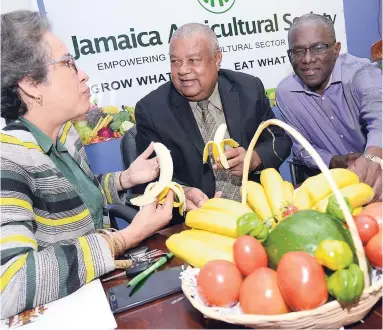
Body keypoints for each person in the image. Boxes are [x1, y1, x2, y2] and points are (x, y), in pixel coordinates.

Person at [0, 10, 174, 319]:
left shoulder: (65, 136)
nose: (83, 74)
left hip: (102, 294)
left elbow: (78, 201)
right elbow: (11, 284)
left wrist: (124, 179)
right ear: (30, 84)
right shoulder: (8, 161)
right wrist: (125, 238)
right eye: (67, 63)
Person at [135, 23, 292, 211]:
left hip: (258, 206)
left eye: (193, 60)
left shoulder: (249, 88)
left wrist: (255, 158)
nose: (183, 70)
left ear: (217, 59)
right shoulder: (152, 110)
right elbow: (149, 178)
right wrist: (181, 192)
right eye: (175, 61)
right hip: (196, 219)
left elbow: (280, 140)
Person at [276, 13, 382, 202]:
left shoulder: (361, 73)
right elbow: (302, 149)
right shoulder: (286, 93)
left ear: (336, 49)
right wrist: (336, 160)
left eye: (318, 48)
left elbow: (379, 114)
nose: (307, 59)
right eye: (298, 51)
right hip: (335, 189)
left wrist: (373, 158)